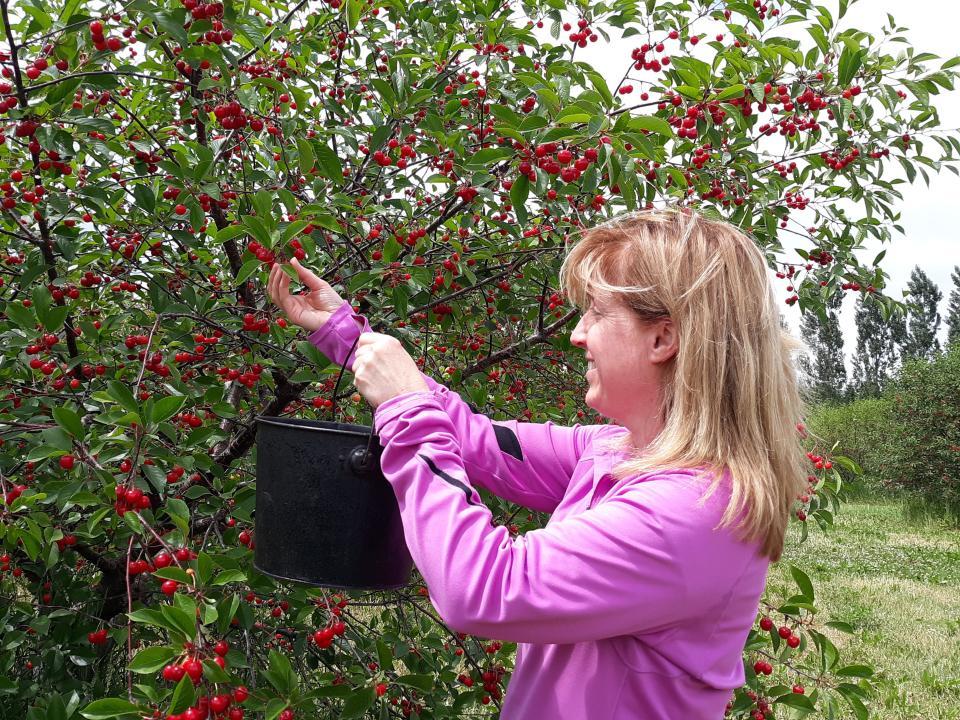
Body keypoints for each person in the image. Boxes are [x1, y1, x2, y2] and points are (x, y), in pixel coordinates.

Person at [266, 207, 808, 719]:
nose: (578, 335)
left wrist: (404, 407)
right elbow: (478, 440)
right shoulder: (617, 451)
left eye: (596, 312)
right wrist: (349, 336)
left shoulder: (693, 509)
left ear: (662, 337)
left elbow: (481, 589)